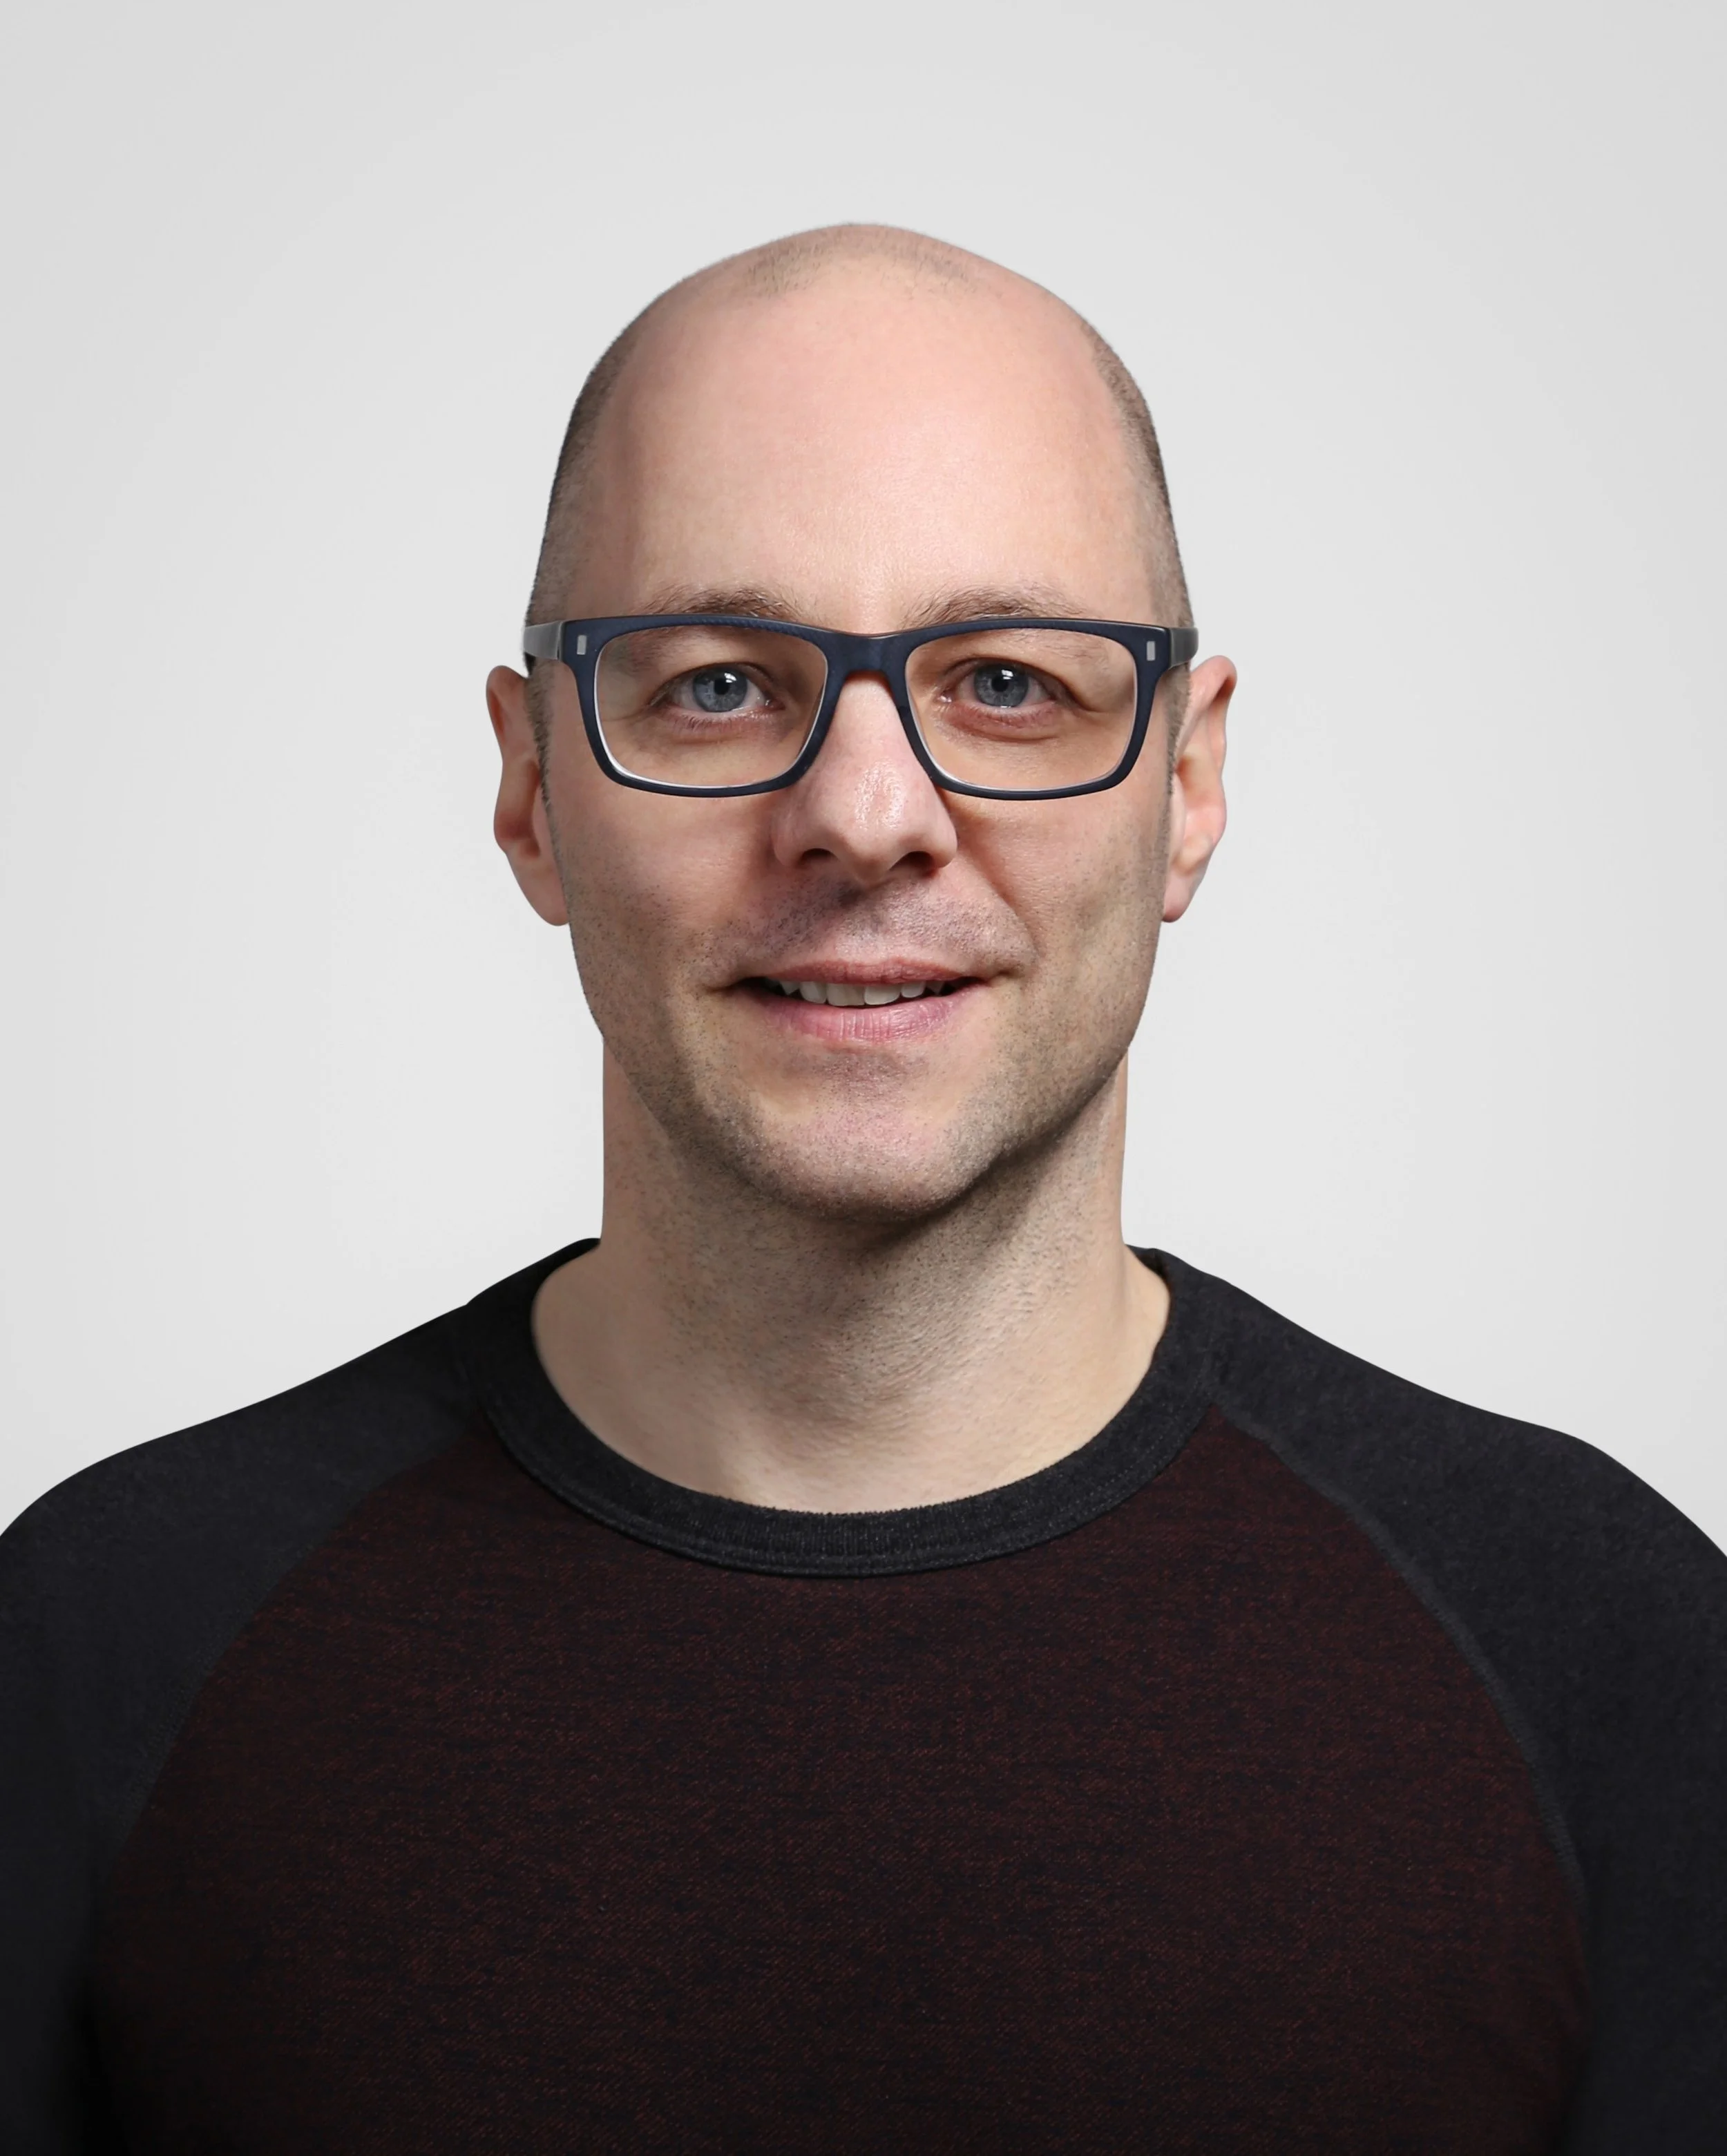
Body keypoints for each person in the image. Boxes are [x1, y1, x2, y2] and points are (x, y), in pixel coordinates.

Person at [2, 224, 1723, 2155]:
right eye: (720, 685)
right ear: (528, 787)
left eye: (1004, 680)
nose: (866, 810)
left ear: (1189, 782)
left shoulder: (1606, 1654)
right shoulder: (95, 1649)